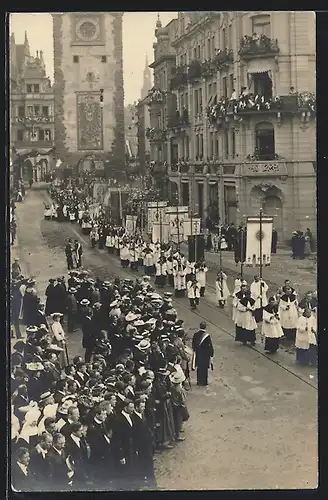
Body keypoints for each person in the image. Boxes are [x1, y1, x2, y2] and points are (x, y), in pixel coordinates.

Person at [132, 398, 156, 489]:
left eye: (144, 406)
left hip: (147, 443)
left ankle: (151, 479)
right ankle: (145, 479)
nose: (143, 408)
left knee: (149, 461)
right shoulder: (134, 418)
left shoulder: (142, 414)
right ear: (136, 407)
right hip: (141, 445)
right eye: (141, 407)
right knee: (143, 461)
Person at [191, 322, 214, 386]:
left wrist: (195, 351)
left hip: (198, 354)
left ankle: (198, 381)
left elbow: (193, 344)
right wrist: (211, 354)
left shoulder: (195, 334)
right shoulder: (207, 336)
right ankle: (204, 382)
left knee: (199, 368)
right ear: (205, 327)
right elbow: (210, 346)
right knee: (204, 369)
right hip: (205, 355)